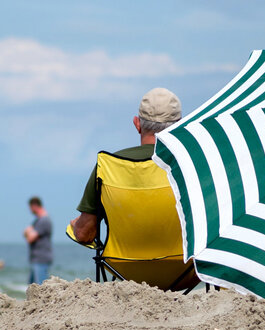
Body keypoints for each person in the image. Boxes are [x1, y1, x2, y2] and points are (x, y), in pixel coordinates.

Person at [70, 87, 182, 244]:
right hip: (182, 265)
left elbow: (83, 235)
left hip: (123, 266)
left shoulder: (108, 166)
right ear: (179, 127)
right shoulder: (190, 166)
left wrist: (75, 225)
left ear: (137, 124)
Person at [23, 197, 52, 285]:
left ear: (34, 206)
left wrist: (28, 232)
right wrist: (28, 232)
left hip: (41, 258)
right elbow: (26, 233)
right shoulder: (37, 221)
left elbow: (30, 238)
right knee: (32, 286)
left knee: (40, 285)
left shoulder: (44, 221)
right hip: (37, 258)